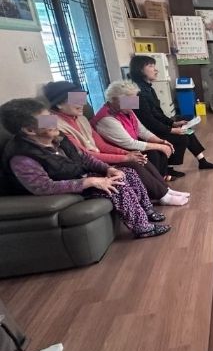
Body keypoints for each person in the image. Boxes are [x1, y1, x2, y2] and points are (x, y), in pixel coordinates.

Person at [0, 98, 170, 239]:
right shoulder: (22, 157)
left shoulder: (58, 138)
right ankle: (142, 228)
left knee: (128, 173)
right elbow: (43, 187)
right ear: (29, 130)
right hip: (63, 188)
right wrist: (89, 182)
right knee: (117, 186)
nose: (53, 121)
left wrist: (107, 169)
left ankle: (147, 210)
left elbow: (84, 158)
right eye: (46, 120)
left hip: (78, 176)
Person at [43, 81, 189, 206]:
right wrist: (125, 157)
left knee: (139, 157)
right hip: (87, 164)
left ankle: (165, 190)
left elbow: (101, 145)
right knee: (134, 162)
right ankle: (163, 196)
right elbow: (84, 155)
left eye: (82, 98)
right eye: (76, 99)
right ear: (59, 104)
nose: (82, 103)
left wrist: (128, 154)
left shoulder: (81, 118)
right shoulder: (54, 125)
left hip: (99, 157)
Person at [129, 55, 213, 177]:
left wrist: (173, 123)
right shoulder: (135, 92)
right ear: (140, 69)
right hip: (146, 132)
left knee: (187, 130)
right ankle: (168, 168)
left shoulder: (148, 88)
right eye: (151, 66)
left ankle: (202, 161)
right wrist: (171, 130)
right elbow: (147, 121)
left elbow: (157, 113)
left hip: (153, 127)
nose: (156, 70)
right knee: (182, 137)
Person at [92, 80, 176, 178]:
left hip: (128, 146)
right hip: (117, 152)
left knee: (159, 149)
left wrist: (161, 142)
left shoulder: (126, 110)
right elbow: (129, 143)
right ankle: (157, 181)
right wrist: (160, 146)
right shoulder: (106, 118)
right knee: (153, 153)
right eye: (128, 100)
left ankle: (161, 178)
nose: (133, 104)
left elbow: (142, 131)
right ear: (114, 99)